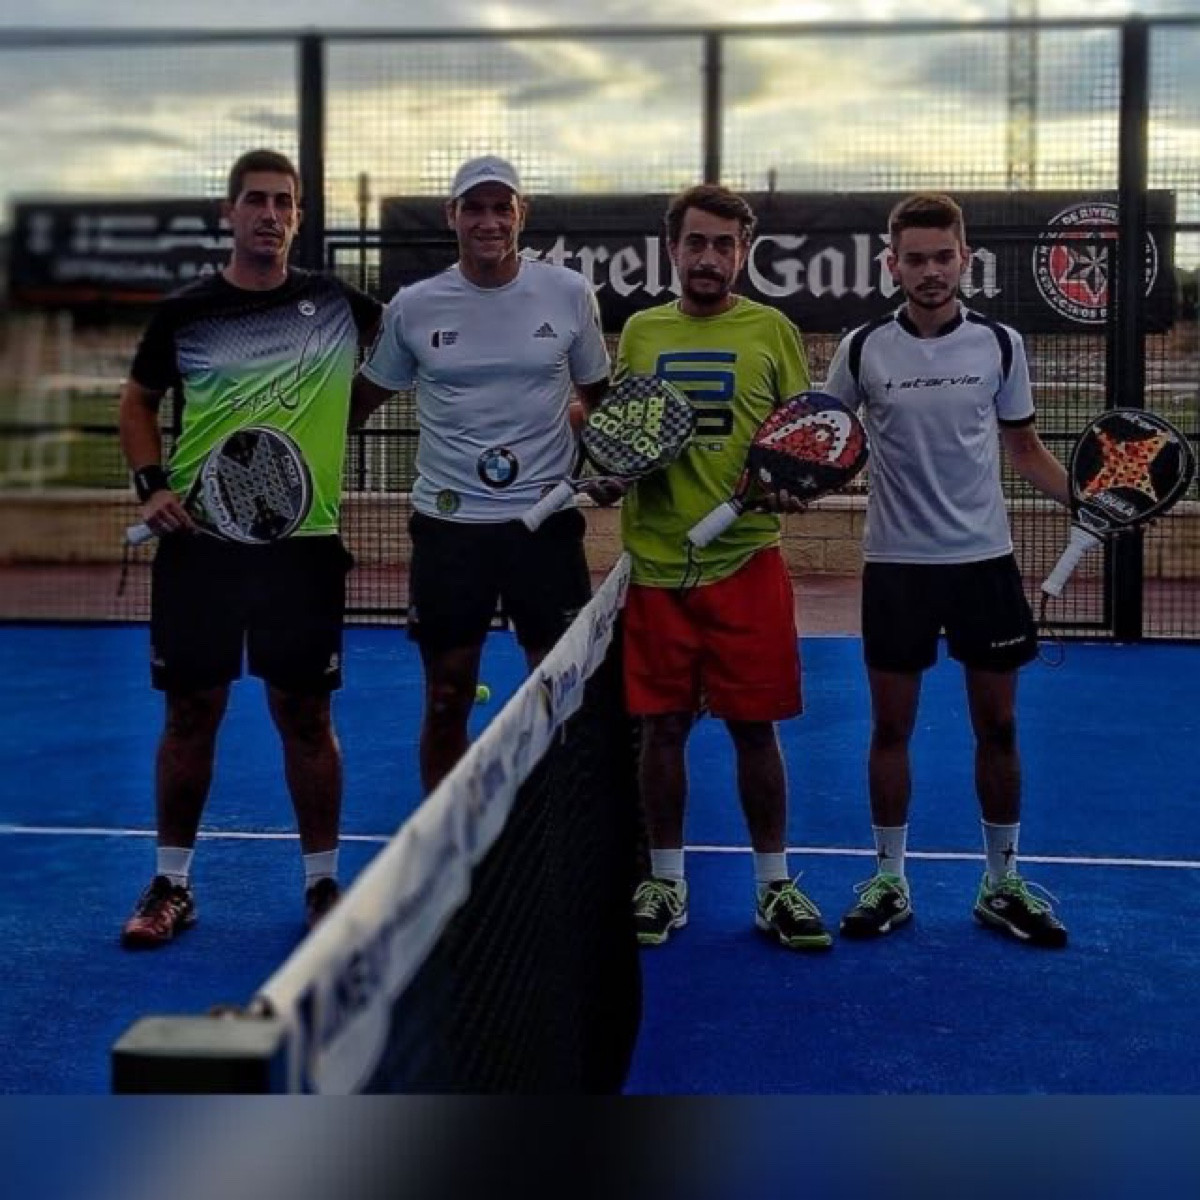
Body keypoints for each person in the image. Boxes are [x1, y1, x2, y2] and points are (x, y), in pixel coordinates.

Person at [118, 149, 381, 947]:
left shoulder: (338, 305)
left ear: (298, 217)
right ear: (228, 213)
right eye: (256, 200)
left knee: (306, 715)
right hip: (200, 549)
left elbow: (408, 353)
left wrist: (341, 417)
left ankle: (323, 883)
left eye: (284, 202)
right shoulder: (186, 312)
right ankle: (171, 884)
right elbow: (137, 402)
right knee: (189, 712)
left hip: (303, 550)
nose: (270, 214)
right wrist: (151, 486)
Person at [823, 192, 1070, 948]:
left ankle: (1001, 882)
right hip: (895, 568)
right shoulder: (861, 349)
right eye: (915, 259)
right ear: (891, 265)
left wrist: (1088, 499)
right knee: (890, 727)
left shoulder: (1000, 344)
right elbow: (825, 442)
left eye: (942, 257)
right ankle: (889, 879)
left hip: (983, 565)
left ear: (965, 259)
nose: (929, 271)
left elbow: (1024, 450)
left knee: (999, 726)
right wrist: (788, 482)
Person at [350, 155, 610, 792]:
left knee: (559, 691)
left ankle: (558, 823)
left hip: (545, 527)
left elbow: (598, 400)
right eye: (474, 208)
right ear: (452, 216)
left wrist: (608, 460)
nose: (488, 221)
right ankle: (446, 833)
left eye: (502, 208)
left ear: (521, 215)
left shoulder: (569, 294)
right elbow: (358, 404)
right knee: (446, 696)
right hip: (449, 530)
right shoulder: (414, 306)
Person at [618, 183, 832, 951]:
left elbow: (802, 440)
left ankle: (775, 886)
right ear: (672, 248)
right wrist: (611, 472)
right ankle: (665, 882)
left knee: (753, 729)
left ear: (743, 253)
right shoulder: (640, 331)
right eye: (695, 243)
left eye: (723, 244)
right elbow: (630, 434)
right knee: (662, 730)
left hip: (746, 563)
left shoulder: (773, 330)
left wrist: (794, 486)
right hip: (657, 567)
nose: (708, 257)